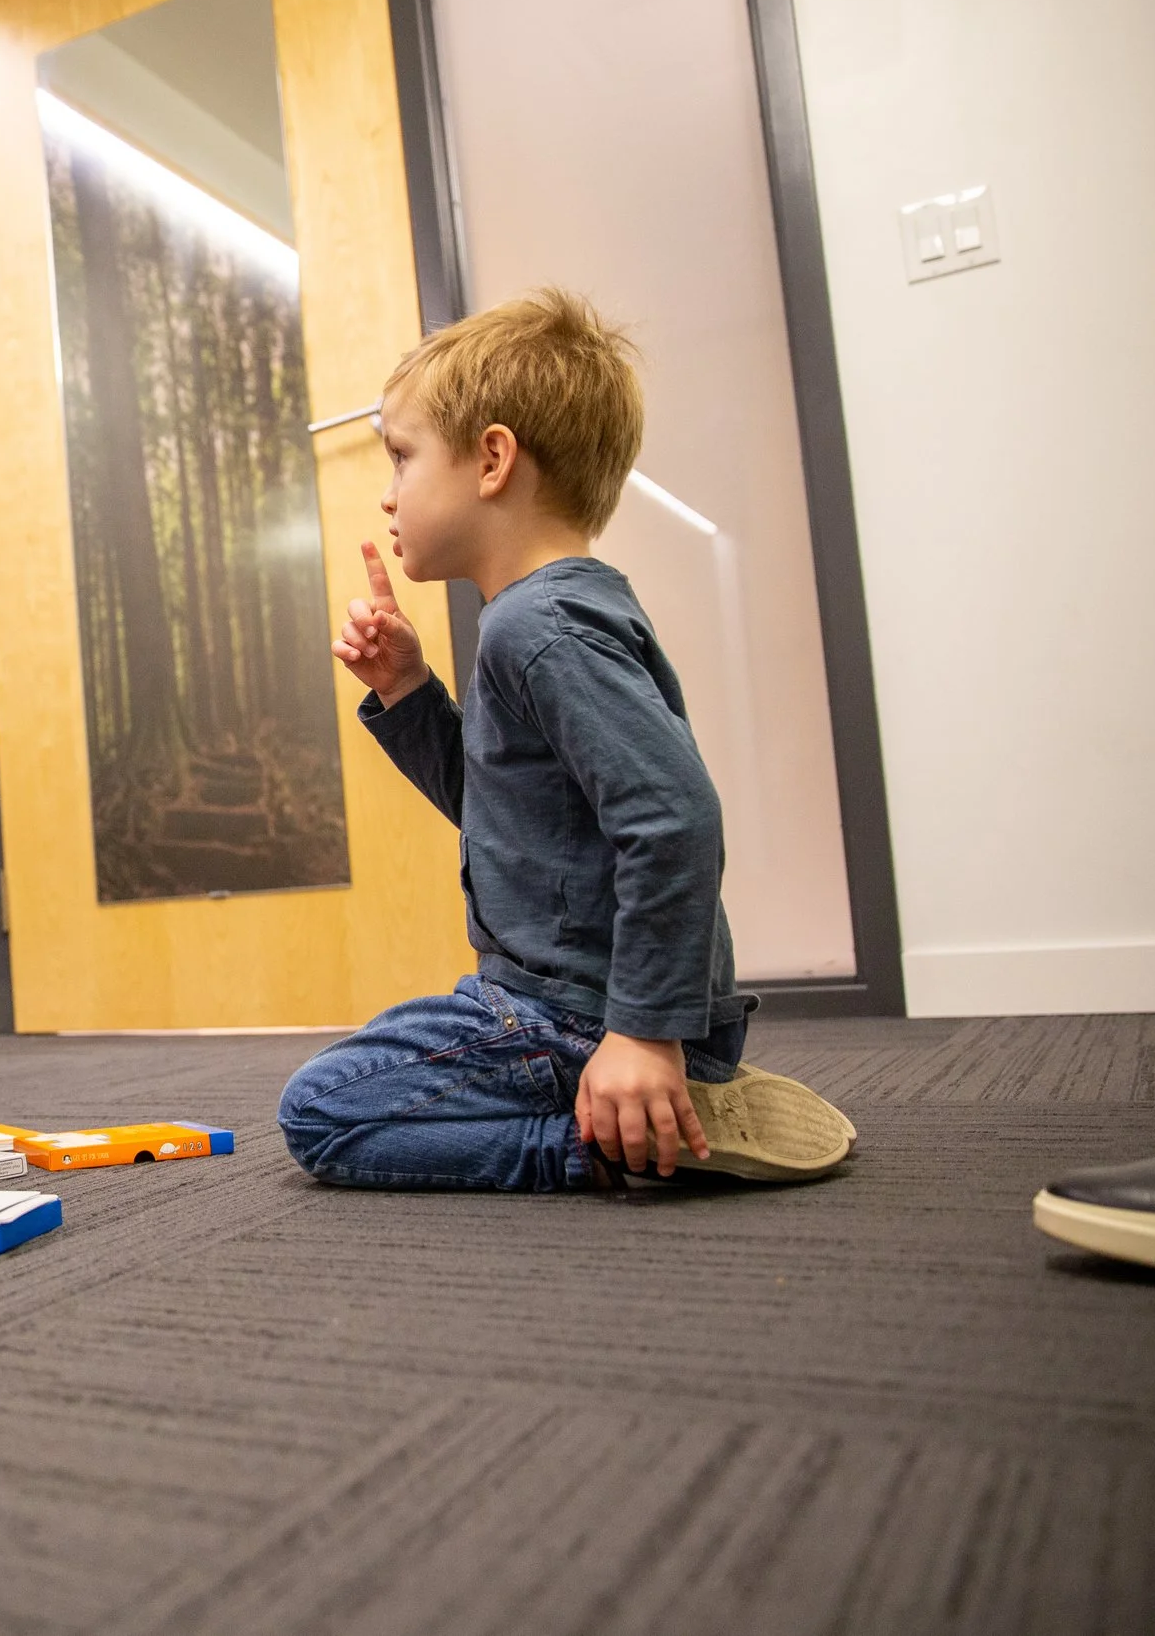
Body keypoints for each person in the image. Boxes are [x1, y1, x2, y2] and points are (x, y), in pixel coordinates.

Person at [278, 290, 854, 1193]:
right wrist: (407, 691)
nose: (387, 493)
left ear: (492, 460)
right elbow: (505, 813)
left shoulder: (538, 627)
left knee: (319, 1110)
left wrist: (642, 1033)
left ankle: (607, 1139)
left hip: (580, 1017)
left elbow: (675, 816)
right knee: (372, 1073)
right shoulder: (552, 613)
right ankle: (652, 1104)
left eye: (402, 456)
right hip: (590, 1006)